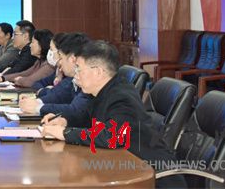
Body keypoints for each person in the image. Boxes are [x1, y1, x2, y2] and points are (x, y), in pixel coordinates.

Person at [40, 40, 186, 189]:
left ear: (97, 72)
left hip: (152, 177)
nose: (75, 75)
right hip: (123, 167)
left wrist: (65, 133)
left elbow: (112, 137)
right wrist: (65, 121)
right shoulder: (104, 90)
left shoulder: (121, 97)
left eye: (79, 68)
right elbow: (87, 116)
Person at [19, 32, 91, 121]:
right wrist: (36, 103)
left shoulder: (88, 82)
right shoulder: (73, 78)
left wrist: (38, 107)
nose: (59, 62)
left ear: (72, 59)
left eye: (61, 57)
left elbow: (76, 110)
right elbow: (60, 95)